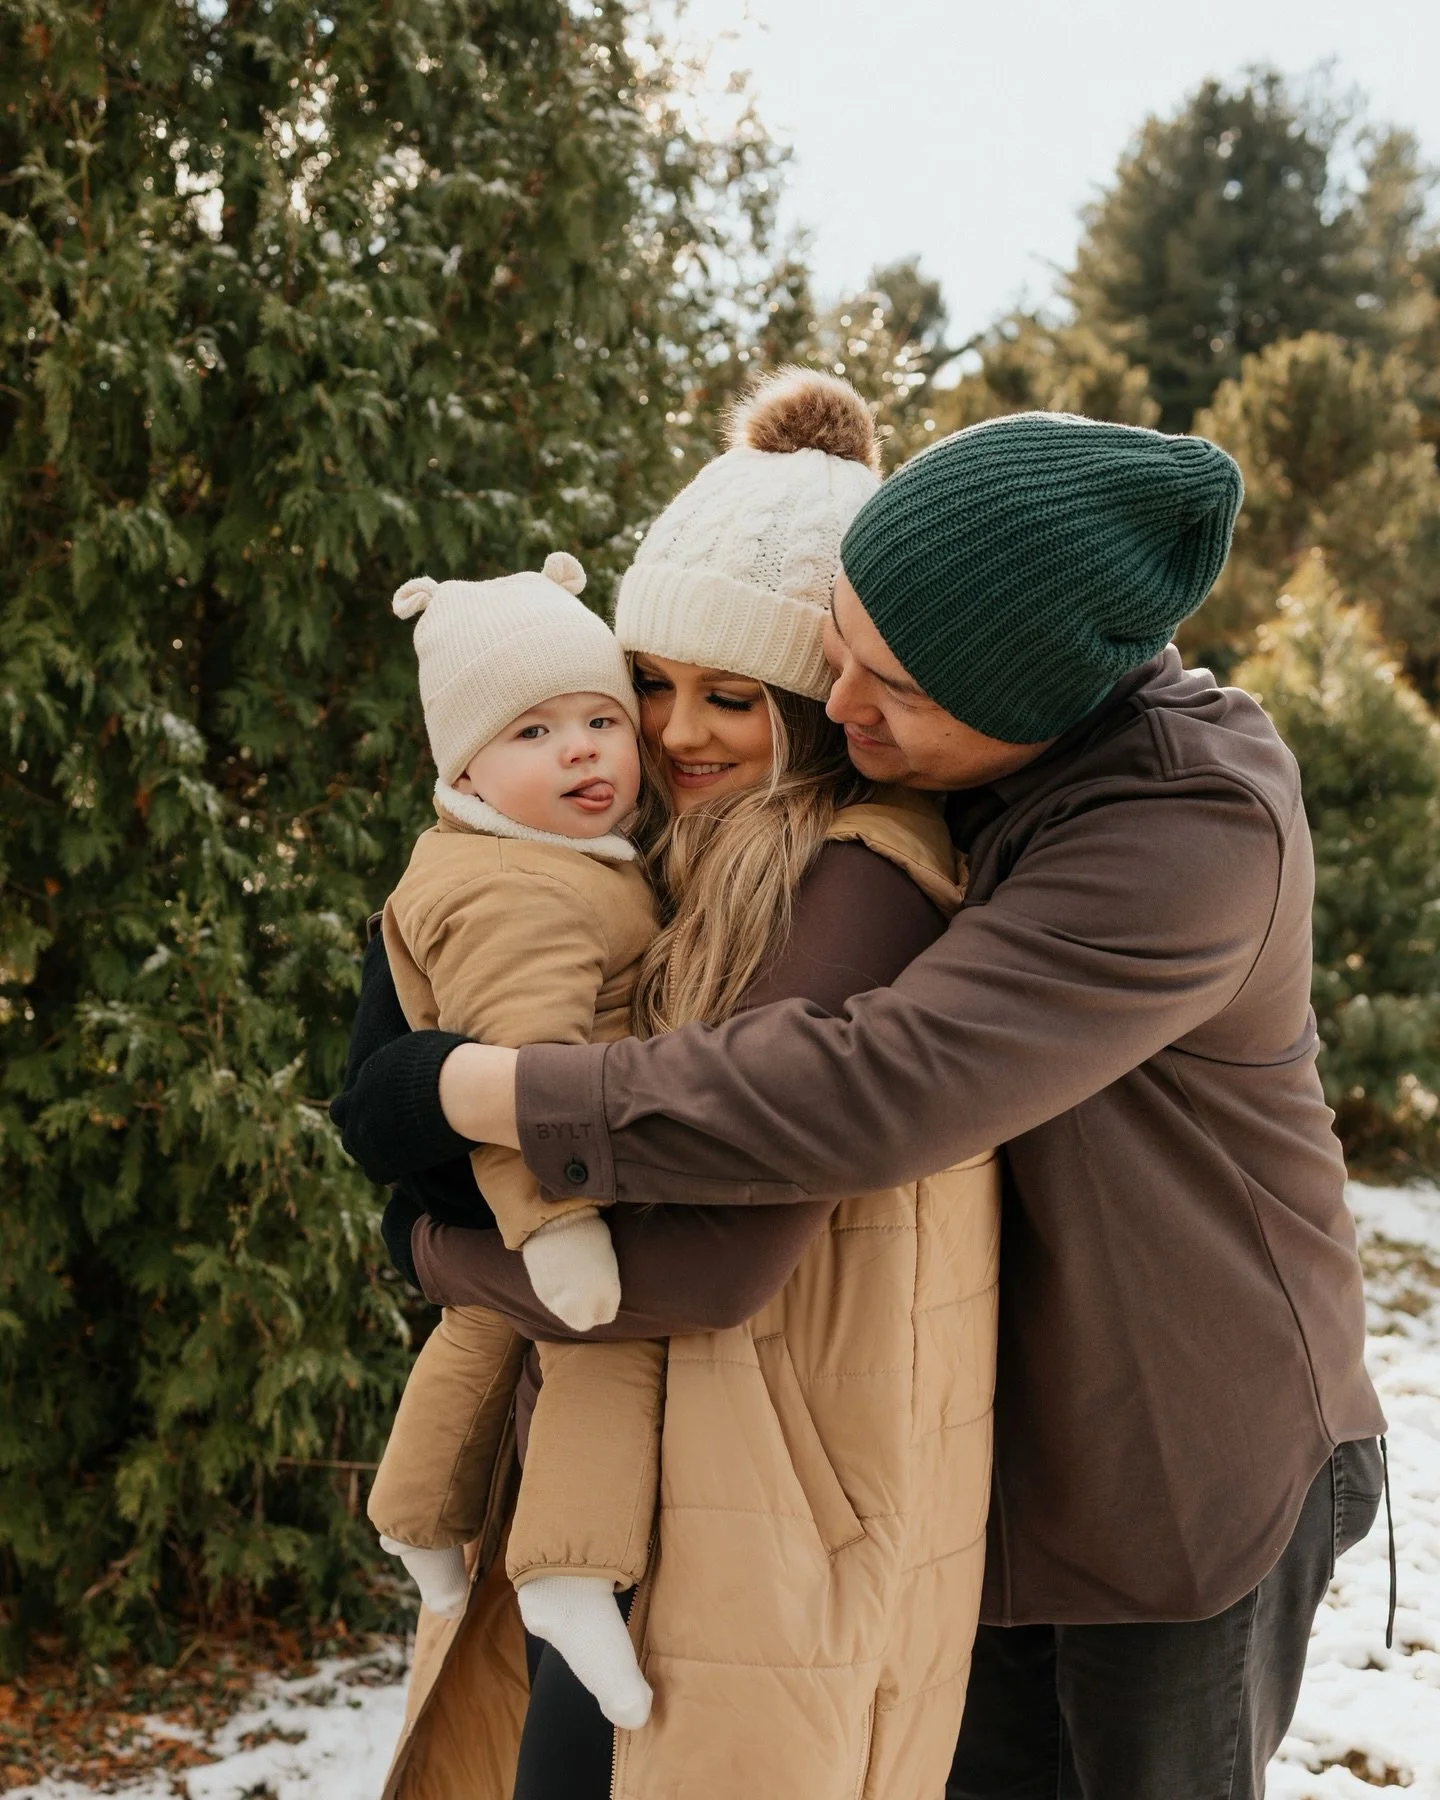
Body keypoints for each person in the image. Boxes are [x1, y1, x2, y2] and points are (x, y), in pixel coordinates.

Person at [345, 409, 1387, 1800]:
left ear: (1034, 697)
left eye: (886, 688)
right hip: (979, 1461)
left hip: (1164, 1476)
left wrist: (467, 1107)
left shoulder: (1182, 830)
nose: (833, 710)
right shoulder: (919, 762)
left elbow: (866, 1087)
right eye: (837, 650)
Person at [334, 371, 1003, 1800]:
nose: (676, 730)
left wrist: (430, 1243)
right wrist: (405, 1069)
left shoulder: (857, 882)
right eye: (650, 684)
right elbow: (439, 1055)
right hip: (633, 1453)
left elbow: (709, 1265)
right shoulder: (650, 860)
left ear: (820, 708)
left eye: (733, 697)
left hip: (767, 1483)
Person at [369, 552, 663, 1729]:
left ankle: (420, 1520)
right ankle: (570, 1572)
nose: (584, 749)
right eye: (535, 732)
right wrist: (559, 1227)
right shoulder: (521, 890)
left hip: (531, 1183)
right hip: (563, 1185)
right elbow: (519, 1071)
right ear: (468, 768)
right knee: (604, 1336)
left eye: (601, 717)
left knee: (478, 1326)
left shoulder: (533, 856)